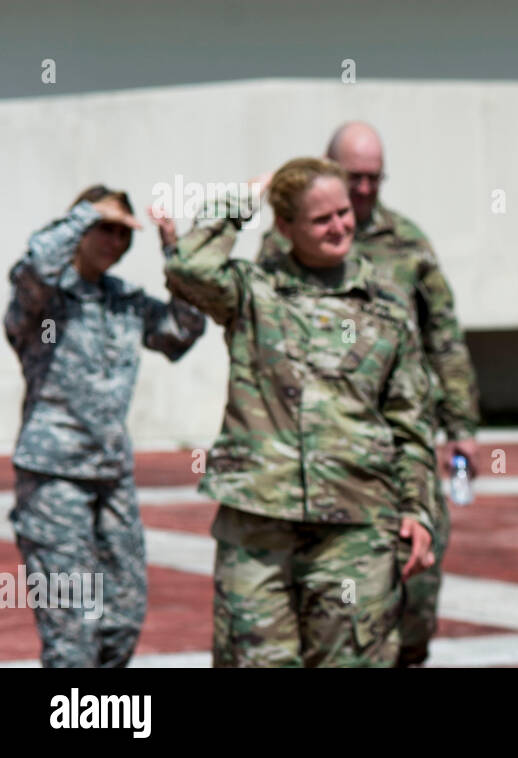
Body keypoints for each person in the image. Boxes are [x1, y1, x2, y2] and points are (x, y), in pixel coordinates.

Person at [165, 157, 440, 667]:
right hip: (258, 525)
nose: (339, 226)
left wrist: (417, 509)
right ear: (286, 227)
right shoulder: (253, 293)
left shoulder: (388, 308)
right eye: (320, 219)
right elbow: (188, 266)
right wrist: (242, 200)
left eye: (343, 212)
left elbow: (411, 423)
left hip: (356, 526)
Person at [256, 123, 479, 667]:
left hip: (400, 433)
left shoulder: (408, 242)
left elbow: (443, 335)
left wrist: (463, 428)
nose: (362, 190)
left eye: (373, 178)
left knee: (417, 588)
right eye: (352, 177)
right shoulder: (282, 246)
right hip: (323, 448)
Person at [5, 186, 205, 667]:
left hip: (111, 477)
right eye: (105, 228)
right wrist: (84, 214)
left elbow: (183, 329)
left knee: (122, 621)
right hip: (54, 480)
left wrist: (173, 248)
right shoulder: (41, 299)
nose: (114, 240)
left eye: (122, 231)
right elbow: (35, 263)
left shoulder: (125, 301)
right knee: (71, 633)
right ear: (79, 226)